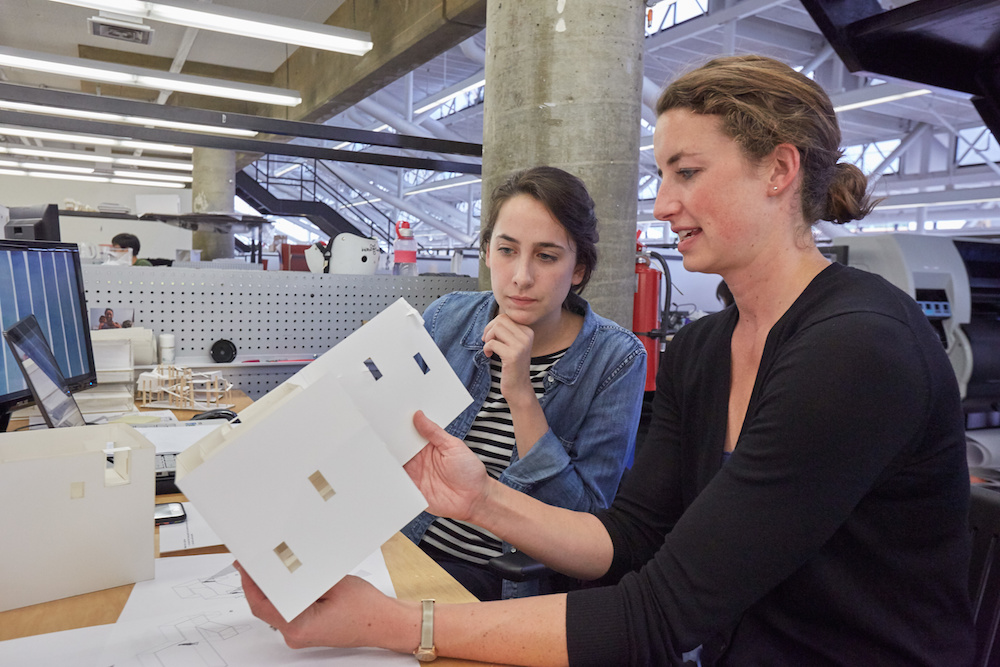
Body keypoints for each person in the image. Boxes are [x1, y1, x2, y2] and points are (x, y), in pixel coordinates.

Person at [238, 55, 974, 665]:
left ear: (779, 170)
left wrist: (399, 623)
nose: (661, 206)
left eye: (687, 172)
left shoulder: (856, 348)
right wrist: (478, 498)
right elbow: (629, 542)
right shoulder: (703, 349)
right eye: (663, 175)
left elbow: (659, 614)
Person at [401, 165, 647, 601]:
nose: (521, 276)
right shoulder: (446, 317)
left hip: (496, 579)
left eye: (547, 256)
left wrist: (521, 394)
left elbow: (586, 521)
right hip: (403, 543)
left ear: (578, 269)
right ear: (488, 252)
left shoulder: (616, 358)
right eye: (507, 250)